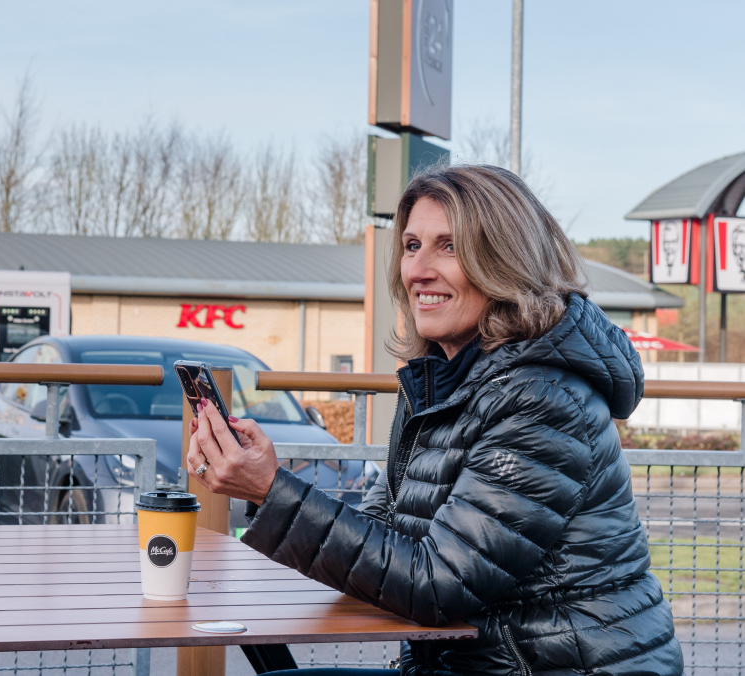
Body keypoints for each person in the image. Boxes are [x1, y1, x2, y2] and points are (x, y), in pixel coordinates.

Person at [187, 165, 684, 676]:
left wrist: (273, 492)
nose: (418, 270)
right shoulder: (442, 382)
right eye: (411, 245)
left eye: (448, 247)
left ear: (505, 261)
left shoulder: (542, 398)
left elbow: (438, 583)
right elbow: (384, 534)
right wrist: (267, 484)